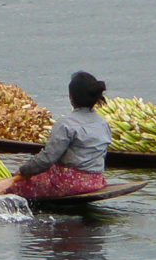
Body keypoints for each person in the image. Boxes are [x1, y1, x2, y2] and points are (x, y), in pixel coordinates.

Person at [8, 71, 111, 199]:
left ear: (71, 98)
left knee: (16, 187)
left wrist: (24, 170)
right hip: (96, 181)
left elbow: (47, 159)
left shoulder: (65, 124)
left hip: (70, 184)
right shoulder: (103, 123)